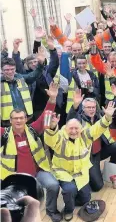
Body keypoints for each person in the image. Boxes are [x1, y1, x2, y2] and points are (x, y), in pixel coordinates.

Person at [44, 101, 116, 221]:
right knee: (70, 189)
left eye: (76, 128)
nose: (73, 131)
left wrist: (107, 117)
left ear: (81, 129)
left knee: (85, 199)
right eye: (70, 128)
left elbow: (97, 128)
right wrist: (52, 128)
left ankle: (72, 198)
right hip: (64, 173)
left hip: (81, 174)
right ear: (65, 129)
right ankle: (68, 209)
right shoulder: (59, 138)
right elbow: (49, 139)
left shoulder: (85, 135)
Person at [0, 82, 60, 222]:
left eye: (21, 118)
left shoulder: (34, 129)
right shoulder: (3, 134)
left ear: (26, 119)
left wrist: (52, 99)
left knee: (53, 185)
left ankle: (51, 210)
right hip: (13, 177)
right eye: (15, 118)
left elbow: (46, 115)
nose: (19, 120)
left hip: (38, 172)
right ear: (10, 121)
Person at [66, 90, 116, 192]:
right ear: (83, 109)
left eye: (93, 107)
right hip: (89, 156)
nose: (92, 109)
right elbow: (70, 120)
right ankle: (87, 176)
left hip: (101, 149)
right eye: (88, 107)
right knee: (98, 186)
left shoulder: (99, 115)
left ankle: (110, 171)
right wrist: (74, 106)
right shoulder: (79, 119)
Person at [1, 53, 45, 126]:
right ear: (2, 70)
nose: (10, 72)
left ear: (15, 69)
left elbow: (34, 75)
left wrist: (40, 64)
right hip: (8, 121)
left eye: (12, 69)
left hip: (26, 118)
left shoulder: (21, 78)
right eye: (6, 70)